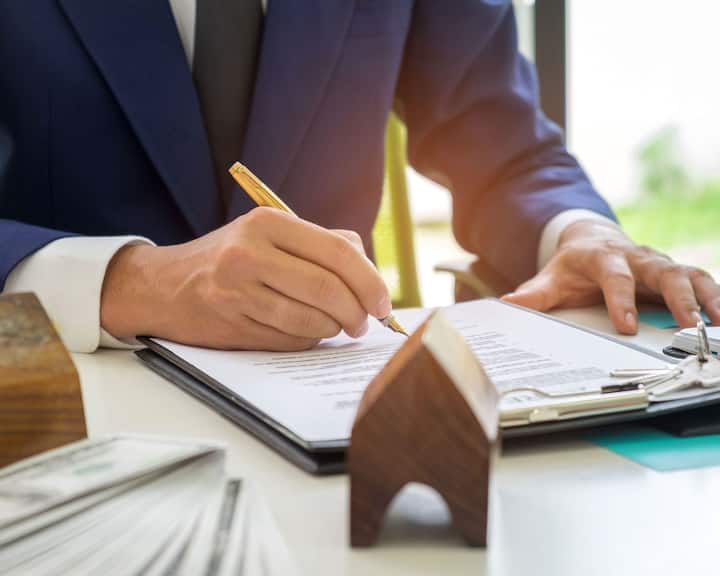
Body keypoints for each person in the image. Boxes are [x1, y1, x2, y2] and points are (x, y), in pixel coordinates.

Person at [1, 1, 717, 354]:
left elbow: (509, 151)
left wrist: (578, 230)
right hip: (54, 409)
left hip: (330, 407)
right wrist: (131, 282)